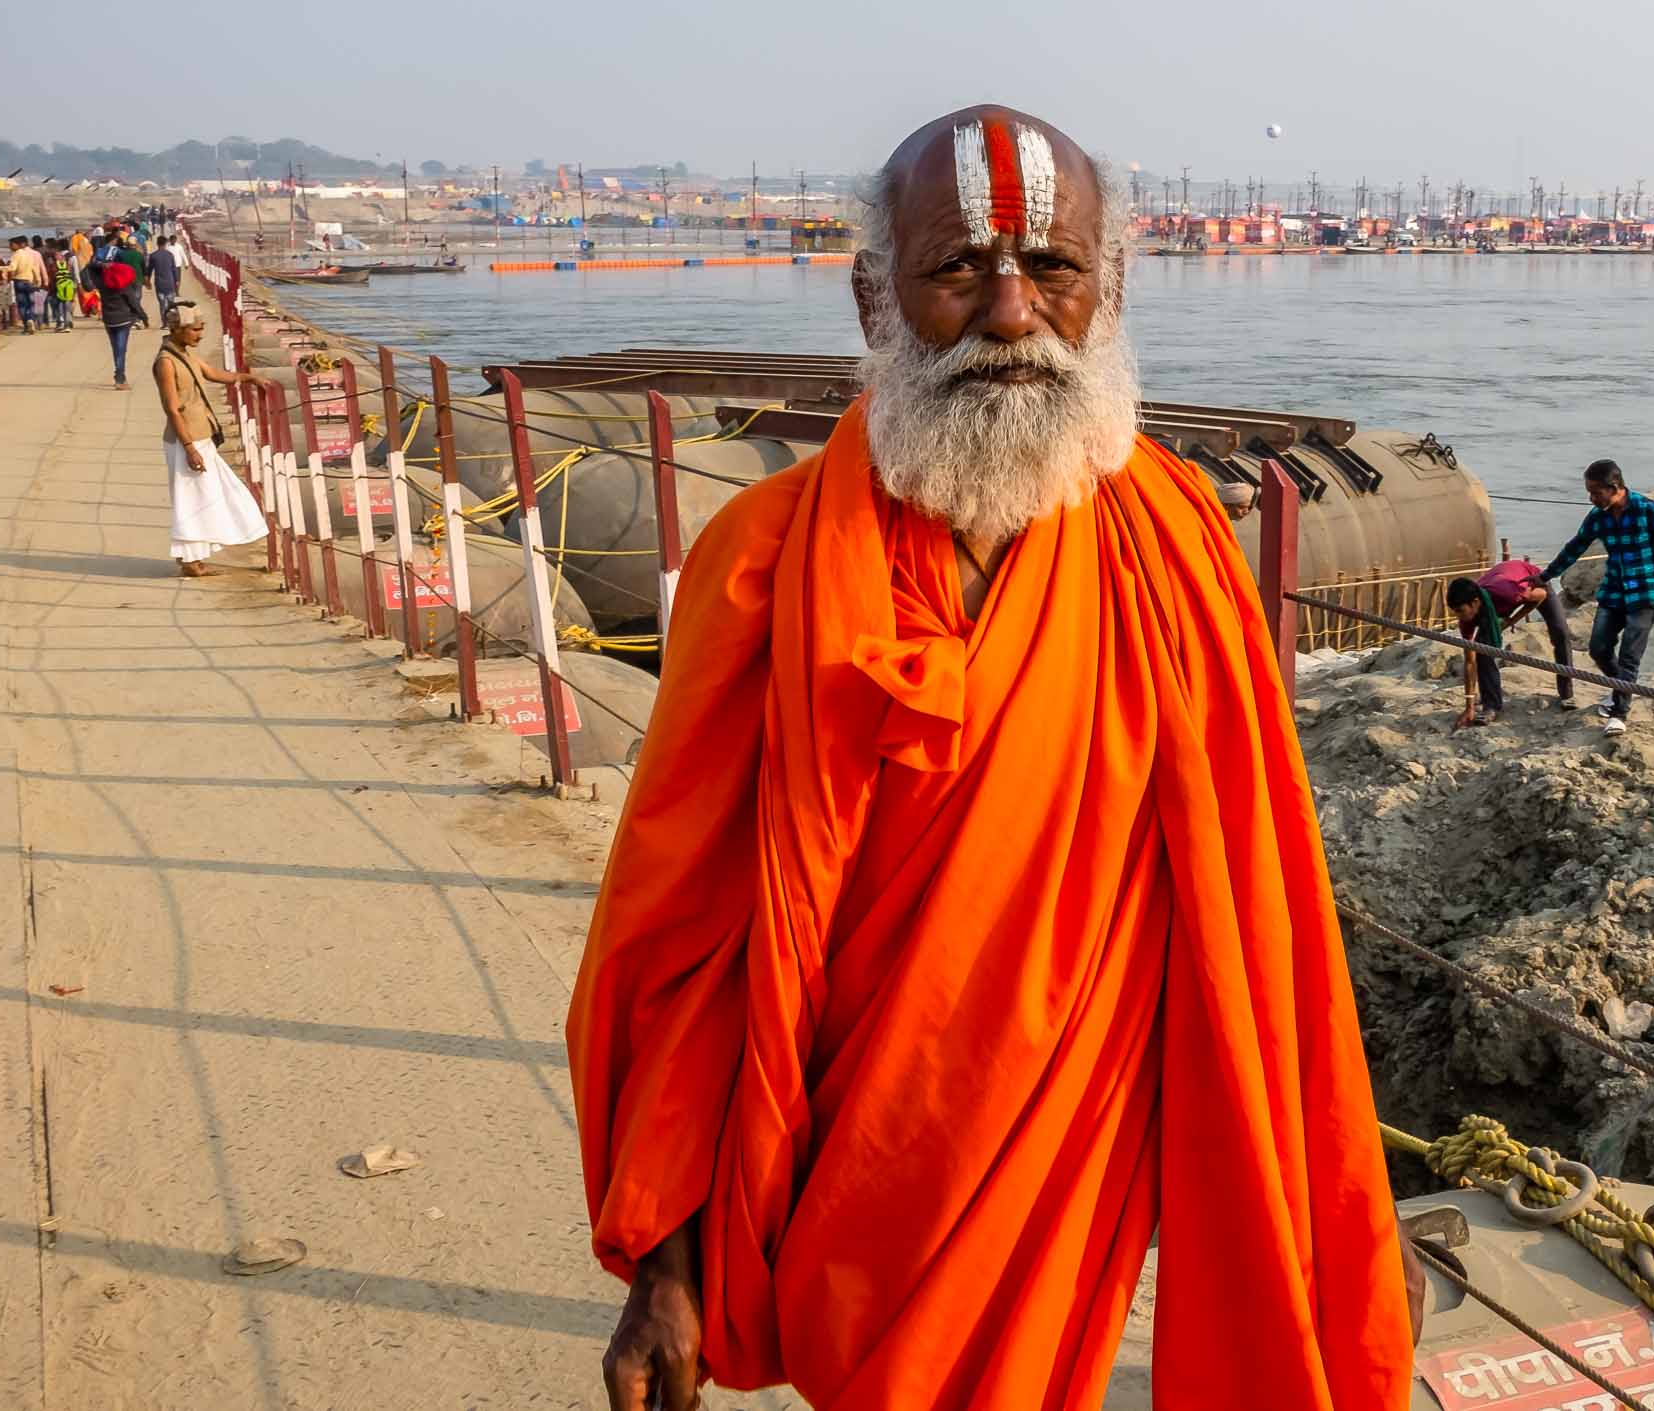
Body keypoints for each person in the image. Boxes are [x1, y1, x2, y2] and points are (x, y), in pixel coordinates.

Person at [566, 105, 1421, 1411]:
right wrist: (663, 1262)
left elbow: (1263, 910)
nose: (1011, 313)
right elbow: (685, 936)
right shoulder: (763, 559)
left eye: (1054, 268)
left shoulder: (1179, 543)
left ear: (1110, 290)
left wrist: (1324, 1200)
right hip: (845, 1171)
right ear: (875, 299)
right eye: (958, 268)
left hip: (1073, 1151)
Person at [1541, 460, 1654, 737]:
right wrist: (1545, 575)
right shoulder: (1599, 516)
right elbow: (1575, 547)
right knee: (1598, 648)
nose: (1591, 498)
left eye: (1596, 492)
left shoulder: (1647, 510)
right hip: (1613, 591)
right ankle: (1622, 688)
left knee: (1630, 655)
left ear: (1615, 487)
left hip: (1644, 593)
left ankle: (1619, 713)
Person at [153, 305, 268, 576]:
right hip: (186, 441)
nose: (200, 335)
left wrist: (246, 378)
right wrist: (190, 448)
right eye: (195, 330)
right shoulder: (166, 362)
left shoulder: (185, 355)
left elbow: (213, 374)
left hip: (200, 437)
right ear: (177, 329)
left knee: (208, 496)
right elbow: (171, 408)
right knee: (191, 500)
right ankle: (191, 562)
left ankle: (191, 558)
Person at [1446, 556, 1577, 727]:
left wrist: (1512, 620)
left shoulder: (1508, 594)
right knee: (1482, 652)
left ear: (1475, 603)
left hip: (1533, 582)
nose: (1459, 616)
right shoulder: (1467, 618)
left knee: (1561, 633)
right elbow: (1470, 661)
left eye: (1460, 611)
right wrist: (1469, 707)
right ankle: (1491, 706)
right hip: (1501, 584)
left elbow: (1540, 596)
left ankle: (1567, 694)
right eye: (1455, 612)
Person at [86, 228, 149, 388]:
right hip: (123, 320)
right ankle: (120, 376)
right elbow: (134, 303)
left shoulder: (103, 286)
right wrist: (143, 317)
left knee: (115, 348)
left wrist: (103, 266)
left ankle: (118, 372)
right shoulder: (124, 287)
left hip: (109, 320)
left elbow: (90, 268)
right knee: (122, 348)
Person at [6, 237, 47, 334]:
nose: (10, 247)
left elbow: (13, 267)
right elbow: (34, 268)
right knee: (31, 303)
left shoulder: (16, 255)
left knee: (22, 305)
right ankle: (30, 318)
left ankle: (26, 324)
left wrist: (1, 268)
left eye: (11, 244)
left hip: (19, 281)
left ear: (17, 244)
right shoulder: (29, 255)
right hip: (29, 281)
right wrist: (38, 279)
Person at [148, 236, 181, 325]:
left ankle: (165, 323)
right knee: (171, 304)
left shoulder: (153, 256)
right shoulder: (170, 255)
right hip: (170, 283)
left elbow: (149, 270)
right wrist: (177, 280)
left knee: (162, 304)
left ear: (157, 243)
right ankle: (173, 321)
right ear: (166, 244)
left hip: (159, 284)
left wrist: (147, 281)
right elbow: (174, 269)